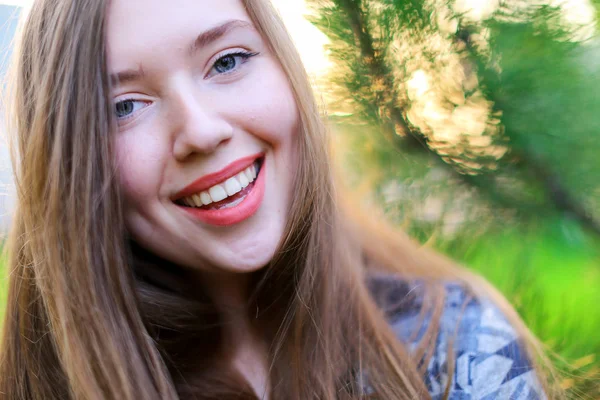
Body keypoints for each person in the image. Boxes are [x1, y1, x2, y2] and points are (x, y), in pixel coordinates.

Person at [0, 0, 561, 399]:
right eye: (125, 106)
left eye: (227, 61)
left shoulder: (458, 349)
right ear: (69, 165)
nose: (200, 131)